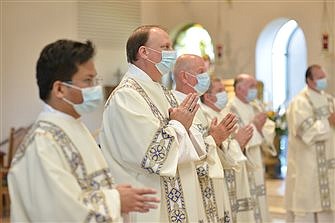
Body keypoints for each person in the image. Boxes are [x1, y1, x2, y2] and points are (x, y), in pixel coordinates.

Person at [8, 39, 159, 222]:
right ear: (60, 89)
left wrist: (115, 193)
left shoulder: (73, 127)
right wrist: (116, 200)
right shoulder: (43, 144)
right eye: (88, 80)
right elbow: (58, 212)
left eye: (95, 80)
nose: (95, 87)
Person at [100, 25, 205, 222]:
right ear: (144, 52)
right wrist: (179, 126)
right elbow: (152, 156)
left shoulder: (161, 91)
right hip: (152, 206)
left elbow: (193, 143)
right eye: (165, 47)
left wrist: (185, 127)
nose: (172, 53)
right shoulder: (127, 96)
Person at [172, 54, 238, 222]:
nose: (205, 77)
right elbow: (181, 150)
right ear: (185, 76)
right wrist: (214, 139)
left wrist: (219, 139)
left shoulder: (198, 107)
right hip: (193, 188)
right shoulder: (173, 106)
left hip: (212, 186)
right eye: (201, 71)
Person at [201, 78, 255, 223]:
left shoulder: (224, 113)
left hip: (236, 177)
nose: (224, 94)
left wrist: (241, 143)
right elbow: (212, 151)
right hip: (222, 181)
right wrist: (237, 142)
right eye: (219, 91)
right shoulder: (205, 116)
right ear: (207, 97)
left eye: (224, 90)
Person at [285, 64, 335, 223]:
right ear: (309, 80)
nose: (323, 80)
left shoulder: (329, 99)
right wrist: (328, 121)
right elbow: (304, 132)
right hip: (308, 166)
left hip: (329, 164)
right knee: (308, 208)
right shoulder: (300, 102)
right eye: (320, 77)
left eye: (324, 76)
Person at [226, 73, 276, 223]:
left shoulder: (256, 106)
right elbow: (235, 138)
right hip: (242, 163)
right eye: (252, 86)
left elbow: (268, 129)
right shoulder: (230, 108)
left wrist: (258, 129)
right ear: (239, 88)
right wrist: (255, 126)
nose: (255, 90)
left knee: (259, 200)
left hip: (256, 159)